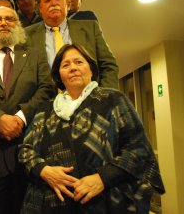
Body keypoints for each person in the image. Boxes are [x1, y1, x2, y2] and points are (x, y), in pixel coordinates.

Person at [18, 43, 165, 213]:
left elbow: (139, 149)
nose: (73, 68)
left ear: (91, 68)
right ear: (59, 75)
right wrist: (43, 170)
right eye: (65, 65)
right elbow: (25, 150)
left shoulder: (113, 100)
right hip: (53, 205)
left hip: (106, 201)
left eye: (79, 62)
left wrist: (102, 178)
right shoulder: (45, 109)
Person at [0, 7, 54, 214]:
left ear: (18, 24)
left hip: (29, 155)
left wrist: (21, 118)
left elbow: (46, 89)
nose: (3, 23)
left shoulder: (35, 55)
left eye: (9, 19)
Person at [25, 0, 119, 88]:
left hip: (90, 100)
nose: (53, 3)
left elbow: (108, 66)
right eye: (47, 0)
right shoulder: (26, 35)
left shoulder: (90, 28)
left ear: (66, 2)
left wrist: (104, 97)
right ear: (40, 8)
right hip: (46, 102)